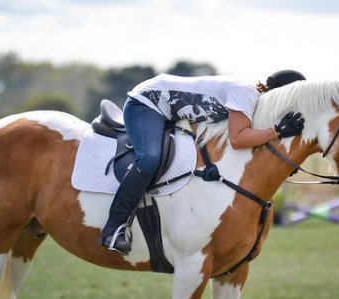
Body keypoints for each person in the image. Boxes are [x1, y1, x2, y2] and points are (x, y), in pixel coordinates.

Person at [101, 70, 307, 255]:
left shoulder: (249, 101)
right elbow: (239, 139)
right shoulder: (246, 94)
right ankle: (114, 228)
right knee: (150, 158)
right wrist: (277, 131)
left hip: (164, 105)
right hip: (146, 103)